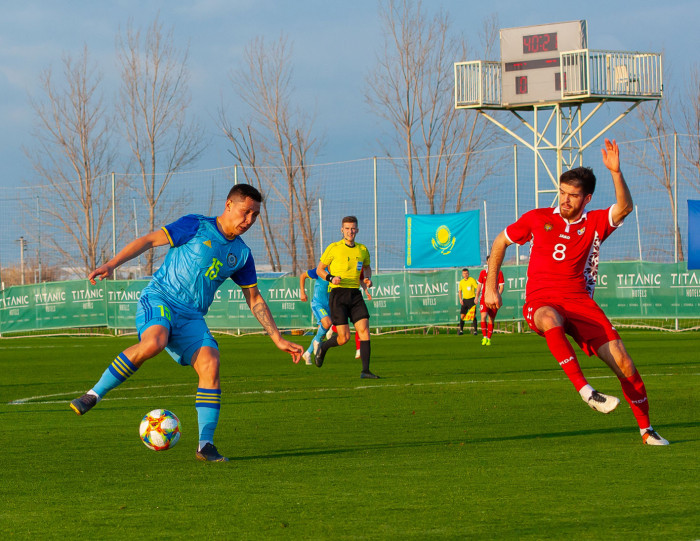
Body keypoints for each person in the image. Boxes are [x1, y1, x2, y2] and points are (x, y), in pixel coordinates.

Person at [69, 184, 304, 461]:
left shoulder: (241, 254)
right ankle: (93, 395)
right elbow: (147, 241)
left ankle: (205, 445)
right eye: (245, 212)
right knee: (155, 342)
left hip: (192, 316)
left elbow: (254, 298)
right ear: (228, 205)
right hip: (160, 299)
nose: (249, 220)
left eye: (255, 215)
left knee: (211, 362)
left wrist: (277, 338)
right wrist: (112, 264)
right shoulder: (195, 225)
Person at [484, 138, 668, 445]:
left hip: (580, 302)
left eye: (573, 195)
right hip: (541, 300)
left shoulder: (595, 222)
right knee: (547, 317)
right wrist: (491, 287)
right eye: (563, 192)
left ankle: (647, 430)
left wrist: (616, 172)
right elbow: (500, 242)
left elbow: (625, 207)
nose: (565, 199)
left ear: (587, 198)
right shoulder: (537, 218)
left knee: (624, 361)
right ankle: (587, 392)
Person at [313, 216, 377, 378]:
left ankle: (365, 371)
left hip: (355, 294)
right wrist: (330, 278)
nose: (350, 231)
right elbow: (320, 269)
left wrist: (368, 278)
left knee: (364, 331)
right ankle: (324, 347)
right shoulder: (334, 248)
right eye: (347, 228)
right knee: (344, 338)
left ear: (357, 230)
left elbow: (367, 268)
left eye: (353, 228)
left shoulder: (362, 249)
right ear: (342, 230)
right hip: (338, 294)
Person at [474, 257, 504, 346]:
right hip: (484, 298)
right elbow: (479, 286)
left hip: (494, 300)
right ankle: (484, 337)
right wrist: (476, 296)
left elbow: (501, 286)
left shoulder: (499, 273)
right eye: (489, 261)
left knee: (491, 319)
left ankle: (489, 338)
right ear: (487, 262)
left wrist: (497, 295)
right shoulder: (483, 272)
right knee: (483, 316)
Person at [457, 268, 479, 336]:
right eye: (464, 273)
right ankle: (461, 330)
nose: (465, 275)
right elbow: (460, 291)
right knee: (462, 316)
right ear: (462, 274)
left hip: (472, 300)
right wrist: (460, 299)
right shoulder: (461, 282)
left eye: (466, 273)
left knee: (473, 316)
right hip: (465, 300)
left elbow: (477, 288)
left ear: (468, 273)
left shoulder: (472, 280)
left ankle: (475, 331)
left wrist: (476, 297)